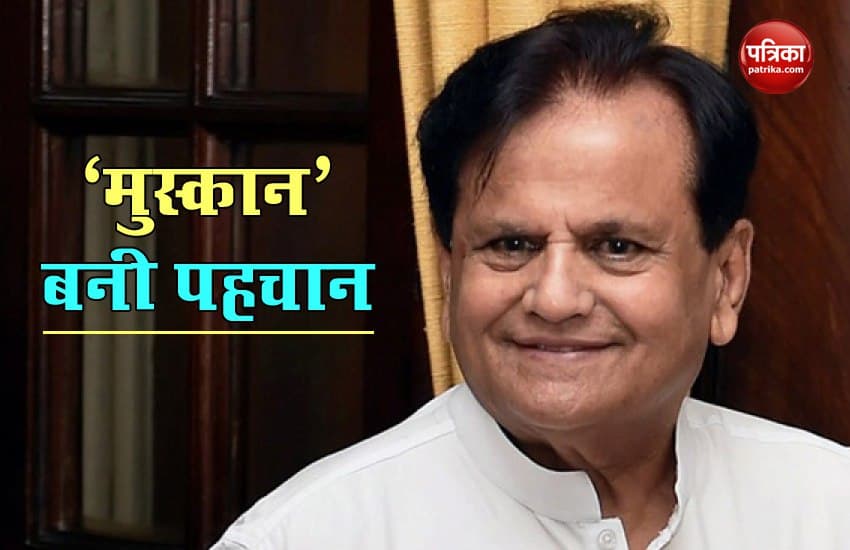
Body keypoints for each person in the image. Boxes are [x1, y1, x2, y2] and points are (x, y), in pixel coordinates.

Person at [212, 5, 850, 549]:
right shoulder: (314, 535)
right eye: (511, 245)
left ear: (727, 278)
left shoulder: (825, 508)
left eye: (617, 247)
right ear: (450, 272)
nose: (555, 298)